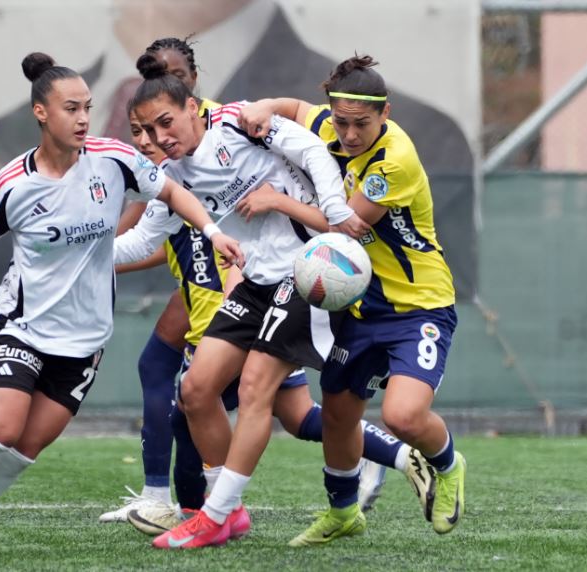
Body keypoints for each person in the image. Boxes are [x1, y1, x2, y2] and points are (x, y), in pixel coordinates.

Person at [0, 51, 243, 558]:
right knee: (1, 430)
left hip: (85, 342)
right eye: (71, 108)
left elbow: (172, 191)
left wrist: (211, 231)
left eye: (87, 108)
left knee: (23, 450)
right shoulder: (11, 184)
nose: (82, 119)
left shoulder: (112, 160)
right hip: (24, 327)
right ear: (41, 112)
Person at [117, 109, 436, 537]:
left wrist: (309, 208)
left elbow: (308, 158)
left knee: (249, 398)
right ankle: (200, 505)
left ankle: (206, 510)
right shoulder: (171, 179)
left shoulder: (236, 131)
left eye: (159, 126)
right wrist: (82, 257)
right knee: (219, 398)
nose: (148, 139)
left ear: (190, 107)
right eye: (139, 131)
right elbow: (146, 242)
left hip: (282, 288)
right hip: (245, 294)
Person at [239, 55, 465, 545]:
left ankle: (449, 466)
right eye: (341, 122)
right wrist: (265, 105)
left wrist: (277, 200)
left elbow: (345, 225)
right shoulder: (329, 123)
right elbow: (296, 108)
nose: (349, 133)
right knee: (338, 413)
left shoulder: (393, 161)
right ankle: (343, 513)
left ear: (385, 114)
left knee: (402, 417)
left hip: (418, 306)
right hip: (361, 307)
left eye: (361, 123)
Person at [99, 37, 224, 522]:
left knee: (237, 398)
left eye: (177, 77)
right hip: (197, 277)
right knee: (162, 372)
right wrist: (92, 257)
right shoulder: (160, 138)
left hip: (234, 281)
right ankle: (164, 500)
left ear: (194, 80)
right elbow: (147, 230)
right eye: (157, 78)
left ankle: (365, 450)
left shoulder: (219, 128)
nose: (168, 86)